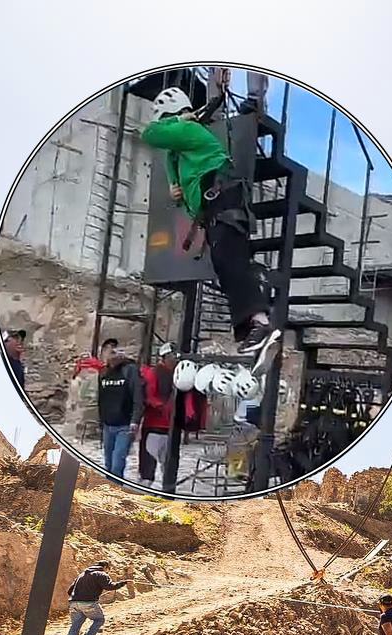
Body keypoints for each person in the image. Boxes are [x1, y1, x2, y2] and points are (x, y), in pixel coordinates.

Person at [141, 87, 280, 370]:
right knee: (226, 265)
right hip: (218, 205)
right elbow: (172, 158)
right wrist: (175, 186)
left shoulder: (188, 130)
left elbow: (150, 134)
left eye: (167, 120)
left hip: (222, 200)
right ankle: (253, 332)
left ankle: (260, 324)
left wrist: (179, 120)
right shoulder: (184, 147)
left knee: (231, 261)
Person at [97, 339, 143, 479]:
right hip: (108, 425)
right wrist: (101, 419)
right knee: (108, 464)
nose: (110, 355)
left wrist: (135, 420)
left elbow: (137, 396)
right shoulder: (104, 372)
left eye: (113, 351)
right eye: (107, 351)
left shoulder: (129, 369)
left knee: (117, 463)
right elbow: (101, 398)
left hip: (124, 425)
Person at [64, 561, 129, 635]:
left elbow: (70, 591)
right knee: (99, 620)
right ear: (105, 567)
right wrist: (123, 583)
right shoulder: (101, 574)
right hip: (88, 603)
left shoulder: (81, 575)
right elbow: (110, 586)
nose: (108, 572)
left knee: (75, 627)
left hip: (74, 604)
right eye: (108, 569)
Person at [138, 343, 178, 484]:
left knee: (168, 465)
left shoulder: (178, 374)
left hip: (171, 426)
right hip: (154, 424)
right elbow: (149, 396)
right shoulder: (154, 373)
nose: (175, 359)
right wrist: (163, 407)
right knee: (148, 465)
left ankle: (167, 489)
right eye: (172, 356)